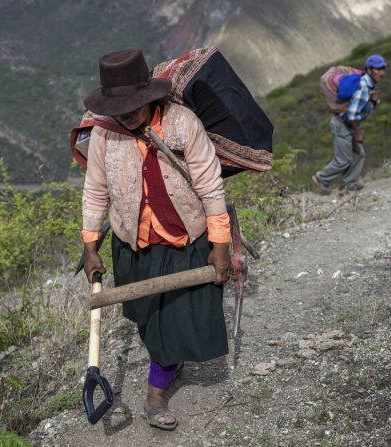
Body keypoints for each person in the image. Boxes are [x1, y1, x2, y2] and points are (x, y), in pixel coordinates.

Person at [80, 48, 231, 430]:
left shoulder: (182, 124)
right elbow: (95, 190)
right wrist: (90, 246)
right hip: (135, 244)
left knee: (172, 320)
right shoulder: (104, 134)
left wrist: (220, 246)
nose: (128, 113)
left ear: (149, 95)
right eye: (120, 106)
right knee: (150, 320)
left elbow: (210, 186)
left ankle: (155, 395)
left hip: (185, 239)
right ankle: (169, 361)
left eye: (134, 104)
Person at [312, 54, 387, 194]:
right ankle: (321, 178)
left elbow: (362, 107)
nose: (382, 73)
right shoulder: (363, 87)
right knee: (344, 160)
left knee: (359, 154)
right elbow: (351, 115)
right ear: (369, 70)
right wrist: (357, 131)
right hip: (343, 124)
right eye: (378, 69)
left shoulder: (370, 86)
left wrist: (374, 100)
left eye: (383, 69)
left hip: (348, 123)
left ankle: (349, 183)